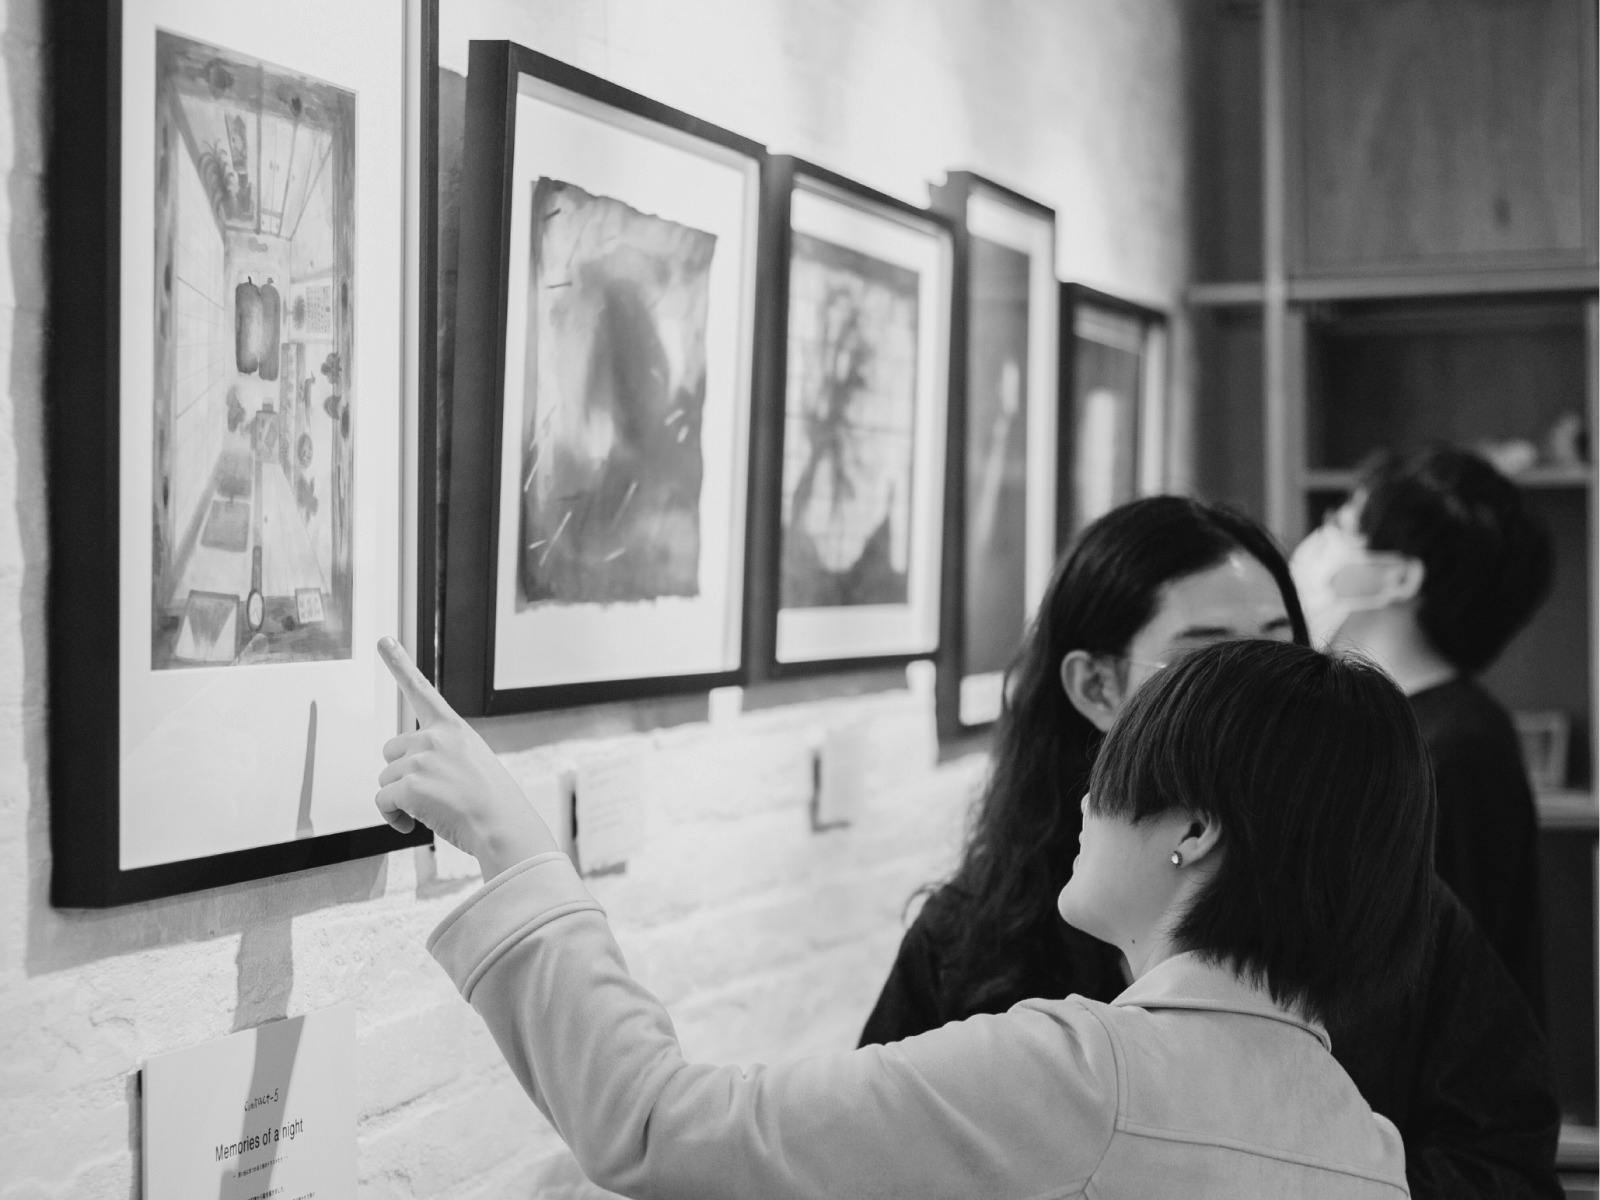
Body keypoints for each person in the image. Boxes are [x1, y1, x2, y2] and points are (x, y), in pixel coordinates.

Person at [377, 635, 1432, 1199]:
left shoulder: (1080, 1076)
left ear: (1191, 829)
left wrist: (512, 841)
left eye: (1114, 773)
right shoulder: (1361, 1140)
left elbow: (656, 1128)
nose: (1082, 802)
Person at [860, 496, 1560, 1199]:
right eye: (1208, 656)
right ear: (1096, 686)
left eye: (1277, 647)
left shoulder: (1381, 904)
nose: (1255, 689)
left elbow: (1505, 1154)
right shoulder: (971, 938)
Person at [1289, 445, 1551, 1012]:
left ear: (1397, 577)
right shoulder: (1384, 724)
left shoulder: (1453, 752)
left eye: (1341, 523)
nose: (1316, 542)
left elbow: (1420, 991)